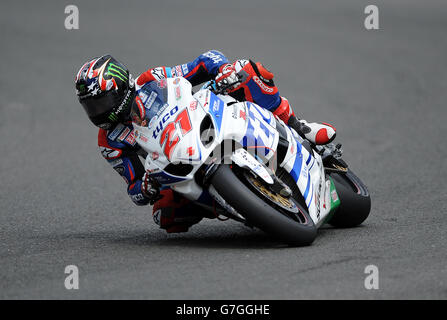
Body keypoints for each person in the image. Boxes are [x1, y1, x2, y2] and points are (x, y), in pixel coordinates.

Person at [75, 50, 336, 233]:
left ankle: (298, 126)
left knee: (248, 70)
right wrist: (144, 187)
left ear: (121, 87)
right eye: (91, 107)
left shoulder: (151, 79)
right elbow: (133, 188)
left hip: (200, 120)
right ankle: (236, 204)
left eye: (101, 103)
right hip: (173, 163)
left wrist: (223, 71)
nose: (98, 112)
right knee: (164, 215)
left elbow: (205, 61)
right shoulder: (109, 141)